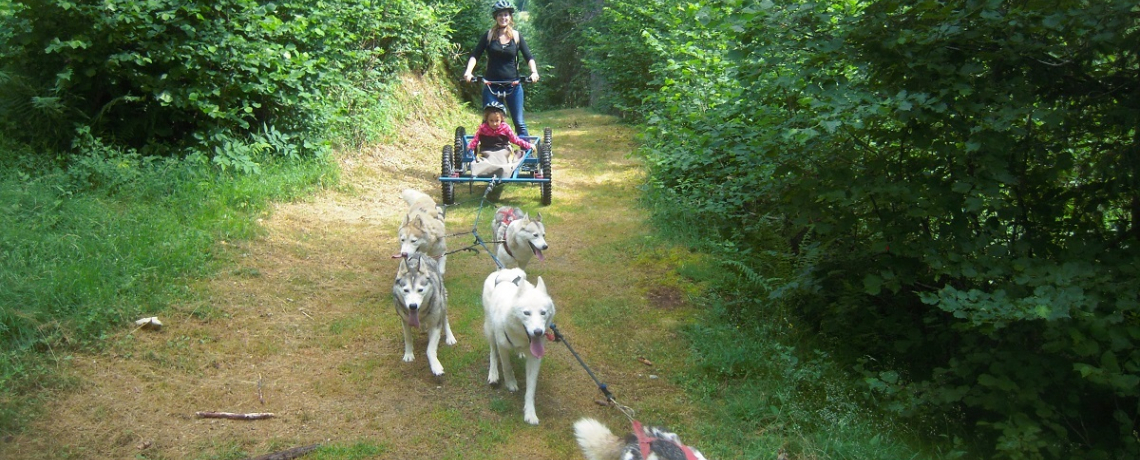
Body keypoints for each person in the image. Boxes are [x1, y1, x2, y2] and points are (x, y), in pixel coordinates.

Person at [462, 0, 539, 137]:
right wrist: (468, 72)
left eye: (506, 15)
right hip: (491, 85)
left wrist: (534, 72)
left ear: (510, 17)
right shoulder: (489, 36)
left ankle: (526, 152)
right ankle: (484, 152)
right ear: (496, 17)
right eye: (500, 15)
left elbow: (529, 57)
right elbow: (475, 55)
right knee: (488, 122)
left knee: (519, 122)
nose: (503, 18)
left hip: (513, 86)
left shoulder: (516, 36)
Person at [468, 101, 533, 178]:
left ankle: (501, 171)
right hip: (487, 150)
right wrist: (470, 147)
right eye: (491, 121)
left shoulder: (505, 128)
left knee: (503, 160)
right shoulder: (483, 128)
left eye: (497, 121)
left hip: (502, 149)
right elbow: (476, 139)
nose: (494, 123)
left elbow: (515, 139)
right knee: (487, 159)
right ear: (487, 119)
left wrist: (528, 145)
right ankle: (491, 171)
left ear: (501, 119)